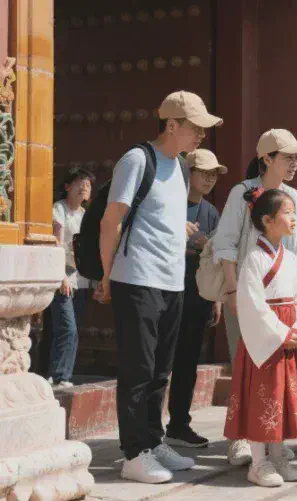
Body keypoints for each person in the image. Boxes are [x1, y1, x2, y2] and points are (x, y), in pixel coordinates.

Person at [96, 90, 222, 483]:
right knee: (139, 368)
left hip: (172, 282)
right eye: (195, 127)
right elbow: (111, 220)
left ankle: (152, 441)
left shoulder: (182, 168)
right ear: (171, 125)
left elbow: (159, 216)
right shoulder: (138, 160)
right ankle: (133, 453)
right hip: (137, 278)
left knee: (161, 370)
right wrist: (106, 273)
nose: (201, 135)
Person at [211, 128, 297, 466]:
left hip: (284, 302)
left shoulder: (294, 198)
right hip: (248, 293)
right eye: (288, 157)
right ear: (267, 158)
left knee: (278, 370)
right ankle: (241, 439)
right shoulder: (243, 192)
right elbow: (226, 242)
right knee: (246, 366)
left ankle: (275, 437)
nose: (295, 163)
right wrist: (232, 289)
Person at [223, 188, 297, 487]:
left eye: (293, 212)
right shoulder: (254, 258)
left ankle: (277, 456)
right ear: (267, 219)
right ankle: (259, 463)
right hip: (265, 338)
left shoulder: (288, 258)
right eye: (287, 213)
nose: (293, 218)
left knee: (282, 398)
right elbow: (252, 305)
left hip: (287, 337)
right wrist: (280, 333)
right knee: (263, 398)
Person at [165, 149, 226, 449]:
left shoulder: (212, 212)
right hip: (167, 291)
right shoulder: (167, 206)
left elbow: (215, 257)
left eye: (213, 174)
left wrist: (216, 299)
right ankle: (149, 426)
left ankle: (178, 424)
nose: (209, 179)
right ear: (187, 173)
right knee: (161, 361)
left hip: (198, 293)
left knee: (188, 362)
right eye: (203, 172)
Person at [47, 167, 95, 388]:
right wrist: (60, 276)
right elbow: (56, 244)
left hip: (81, 279)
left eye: (87, 185)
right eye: (79, 183)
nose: (84, 187)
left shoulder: (85, 215)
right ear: (67, 187)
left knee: (69, 327)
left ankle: (53, 373)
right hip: (63, 276)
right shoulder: (59, 209)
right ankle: (61, 376)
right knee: (67, 328)